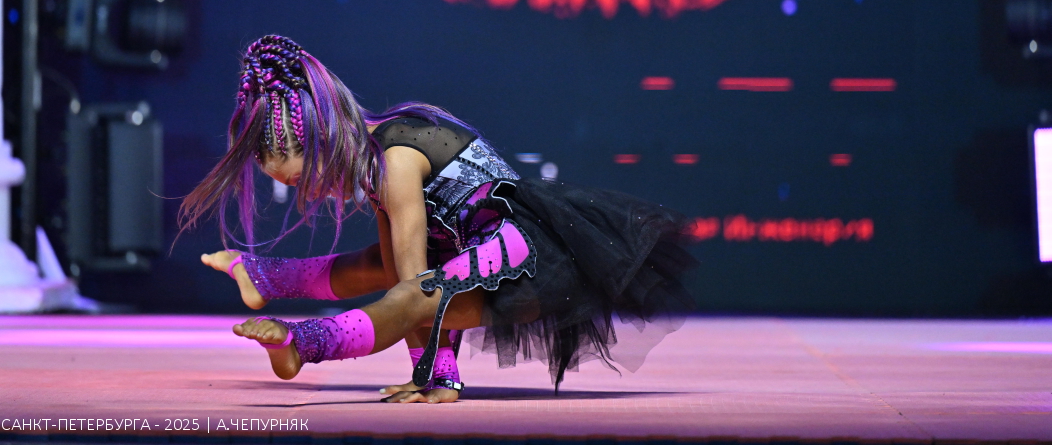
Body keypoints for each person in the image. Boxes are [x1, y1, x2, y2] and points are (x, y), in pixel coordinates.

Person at [179, 35, 696, 404]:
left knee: (407, 291)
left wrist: (433, 374)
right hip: (476, 256)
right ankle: (266, 277)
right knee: (381, 268)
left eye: (297, 180)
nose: (305, 193)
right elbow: (403, 277)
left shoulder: (394, 161)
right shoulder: (375, 159)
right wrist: (435, 376)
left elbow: (414, 292)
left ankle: (305, 342)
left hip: (527, 263)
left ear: (320, 142)